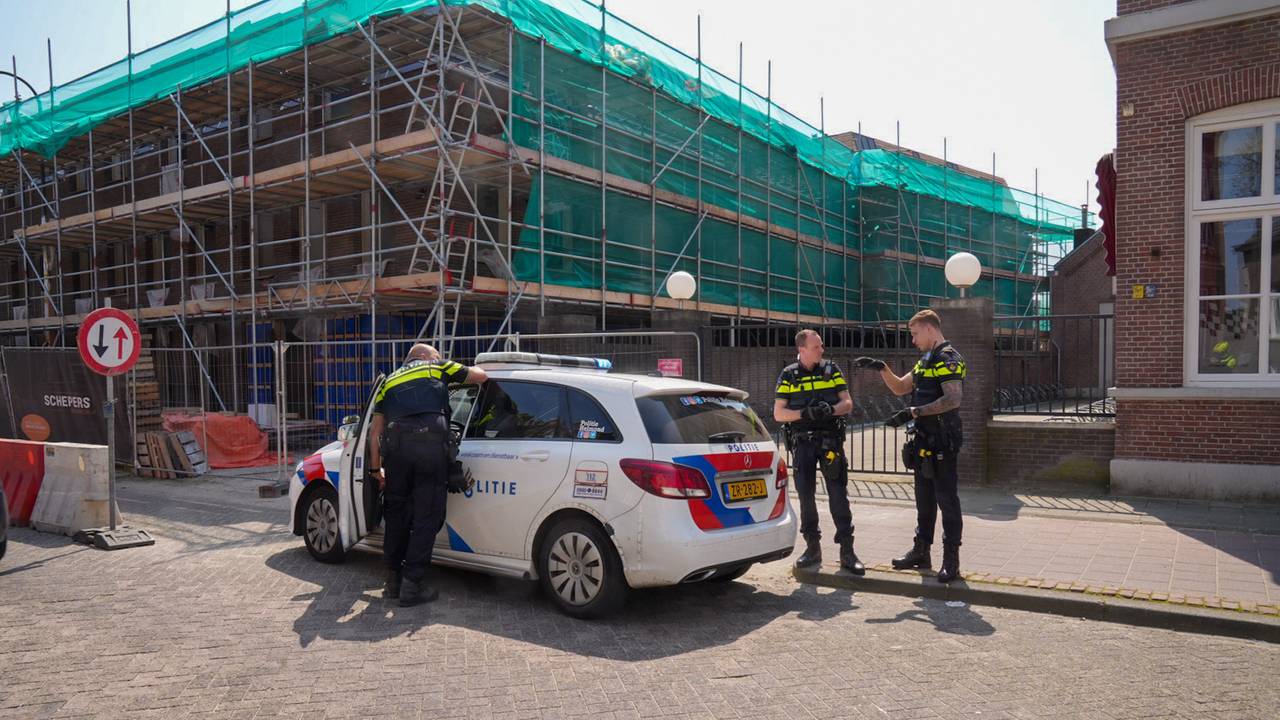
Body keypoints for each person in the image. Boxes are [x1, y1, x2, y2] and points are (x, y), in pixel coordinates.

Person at [369, 343, 487, 606]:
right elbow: (480, 376)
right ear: (424, 357)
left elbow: (375, 432)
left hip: (397, 456)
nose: (439, 358)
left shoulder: (388, 381)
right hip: (429, 452)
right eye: (436, 354)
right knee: (426, 516)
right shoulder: (437, 367)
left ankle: (393, 581)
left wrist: (376, 470)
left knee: (396, 515)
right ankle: (412, 585)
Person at [855, 309, 966, 583]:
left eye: (915, 333)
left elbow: (954, 400)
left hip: (942, 439)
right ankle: (921, 553)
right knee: (923, 501)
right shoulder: (924, 361)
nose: (913, 340)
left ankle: (951, 561)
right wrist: (881, 368)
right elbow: (901, 388)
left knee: (947, 501)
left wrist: (914, 412)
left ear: (930, 329)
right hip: (923, 442)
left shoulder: (949, 358)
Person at [774, 329, 864, 575]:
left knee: (838, 495)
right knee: (806, 496)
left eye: (821, 346)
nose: (821, 350)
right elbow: (779, 413)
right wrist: (804, 414)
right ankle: (812, 549)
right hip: (802, 443)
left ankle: (847, 552)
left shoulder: (832, 370)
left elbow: (847, 403)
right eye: (816, 347)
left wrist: (829, 410)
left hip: (830, 442)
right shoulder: (789, 375)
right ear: (801, 349)